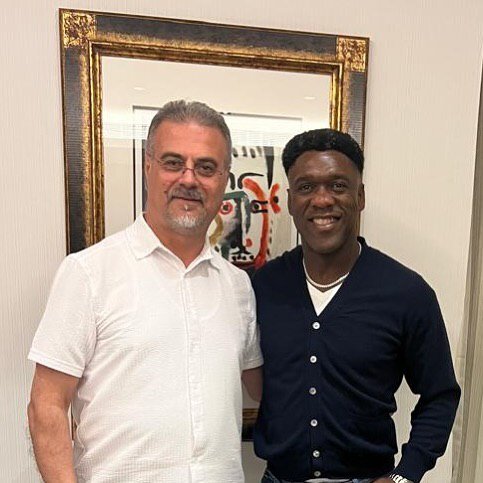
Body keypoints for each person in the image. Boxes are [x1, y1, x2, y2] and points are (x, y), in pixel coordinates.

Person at [27, 100, 263, 483]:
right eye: (173, 162)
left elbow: (267, 386)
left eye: (206, 167)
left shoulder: (238, 287)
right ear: (148, 167)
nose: (189, 179)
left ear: (224, 180)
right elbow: (47, 404)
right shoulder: (88, 274)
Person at [252, 129, 460, 483]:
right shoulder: (263, 287)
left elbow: (440, 395)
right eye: (306, 187)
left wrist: (405, 475)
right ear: (289, 201)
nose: (322, 200)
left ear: (360, 196)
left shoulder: (406, 293)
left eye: (337, 185)